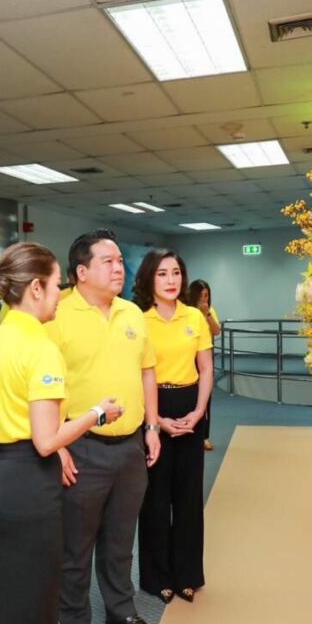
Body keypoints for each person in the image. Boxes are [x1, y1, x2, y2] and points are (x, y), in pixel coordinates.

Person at [0, 243, 123, 624]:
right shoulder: (41, 347)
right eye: (58, 285)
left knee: (4, 594)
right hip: (27, 482)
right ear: (36, 288)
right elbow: (46, 441)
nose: (61, 294)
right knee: (38, 597)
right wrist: (97, 414)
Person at [46, 229, 161, 624]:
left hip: (130, 446)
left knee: (119, 540)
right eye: (108, 261)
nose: (120, 267)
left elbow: (147, 371)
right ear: (81, 272)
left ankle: (121, 610)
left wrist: (151, 427)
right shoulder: (56, 315)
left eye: (119, 261)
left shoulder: (132, 312)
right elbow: (44, 387)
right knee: (75, 547)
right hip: (81, 447)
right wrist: (57, 446)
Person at [133, 250, 214, 604]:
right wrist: (156, 420)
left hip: (191, 406)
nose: (171, 280)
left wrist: (198, 412)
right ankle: (156, 577)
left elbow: (207, 368)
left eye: (176, 273)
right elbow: (134, 373)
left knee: (188, 497)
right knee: (154, 497)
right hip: (154, 409)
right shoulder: (136, 319)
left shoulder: (194, 316)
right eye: (163, 273)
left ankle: (187, 575)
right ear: (150, 279)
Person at [186, 279, 220, 451]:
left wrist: (207, 314)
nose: (204, 299)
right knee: (190, 397)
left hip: (205, 358)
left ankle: (204, 436)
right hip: (188, 358)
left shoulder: (210, 311)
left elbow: (216, 331)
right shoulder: (186, 312)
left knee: (206, 399)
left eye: (206, 295)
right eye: (200, 295)